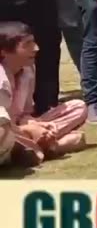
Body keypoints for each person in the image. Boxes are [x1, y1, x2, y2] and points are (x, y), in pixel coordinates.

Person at [0, 21, 87, 167]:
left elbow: (24, 113)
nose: (36, 48)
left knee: (78, 107)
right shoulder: (1, 81)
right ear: (3, 51)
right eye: (27, 44)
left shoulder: (28, 70)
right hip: (7, 132)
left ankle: (40, 144)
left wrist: (37, 126)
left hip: (19, 130)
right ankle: (51, 146)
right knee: (5, 134)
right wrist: (28, 130)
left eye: (34, 42)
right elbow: (2, 122)